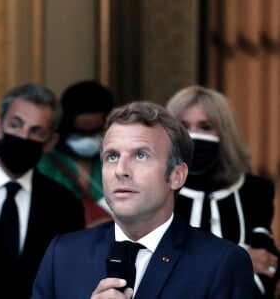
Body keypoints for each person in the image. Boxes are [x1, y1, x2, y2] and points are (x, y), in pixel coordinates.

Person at [31, 100, 255, 299]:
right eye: (112, 156)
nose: (121, 170)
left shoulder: (220, 263)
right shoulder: (63, 254)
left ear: (176, 176)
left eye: (140, 155)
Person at [166, 85, 279, 299]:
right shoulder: (157, 193)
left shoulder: (255, 191)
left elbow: (267, 265)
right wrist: (239, 260)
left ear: (224, 132)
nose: (194, 135)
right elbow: (151, 265)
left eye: (205, 127)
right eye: (184, 126)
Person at [0, 83, 85, 299]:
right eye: (16, 125)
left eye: (36, 131)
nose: (24, 137)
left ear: (50, 142)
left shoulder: (65, 205)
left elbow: (66, 280)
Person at [37, 80, 114, 227]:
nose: (88, 140)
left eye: (95, 132)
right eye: (80, 133)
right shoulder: (45, 160)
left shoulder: (116, 160)